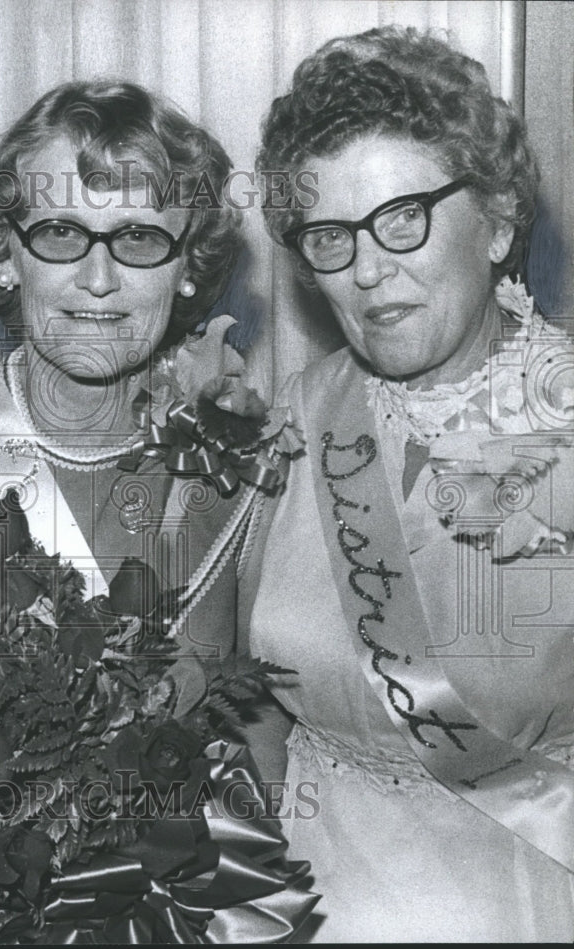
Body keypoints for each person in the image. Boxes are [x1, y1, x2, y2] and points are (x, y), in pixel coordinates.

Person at [0, 79, 315, 942]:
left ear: (191, 269)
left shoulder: (244, 459)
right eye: (58, 232)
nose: (97, 277)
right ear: (6, 255)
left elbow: (265, 719)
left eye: (140, 239)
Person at [249, 25, 574, 941]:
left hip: (518, 892)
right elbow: (242, 698)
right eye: (329, 235)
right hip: (303, 893)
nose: (366, 267)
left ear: (500, 219)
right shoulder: (296, 416)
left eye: (403, 216)